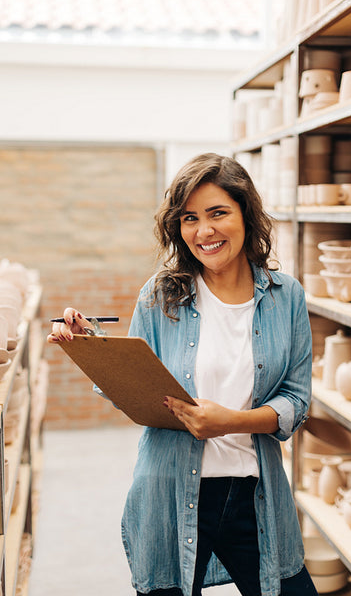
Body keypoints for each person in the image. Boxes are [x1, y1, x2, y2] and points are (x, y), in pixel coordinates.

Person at [48, 153, 317, 596]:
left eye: (218, 213)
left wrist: (230, 422)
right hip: (169, 491)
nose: (204, 231)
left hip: (255, 493)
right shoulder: (160, 295)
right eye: (190, 218)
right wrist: (93, 347)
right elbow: (134, 391)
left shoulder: (286, 296)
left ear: (246, 215)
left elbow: (296, 399)